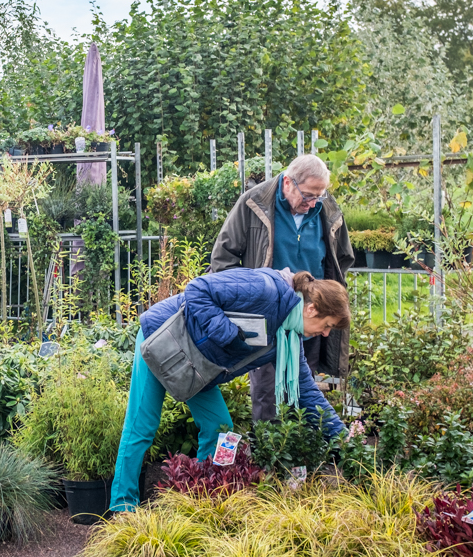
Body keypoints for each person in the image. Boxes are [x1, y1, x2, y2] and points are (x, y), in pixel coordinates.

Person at [110, 269, 349, 513]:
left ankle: (197, 500)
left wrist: (347, 440)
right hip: (163, 339)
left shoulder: (287, 337)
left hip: (198, 366)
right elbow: (197, 289)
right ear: (311, 308)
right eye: (327, 325)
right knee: (142, 425)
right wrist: (227, 333)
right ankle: (122, 507)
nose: (326, 333)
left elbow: (306, 392)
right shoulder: (265, 289)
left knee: (219, 427)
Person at [210, 154, 354, 422]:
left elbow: (341, 260)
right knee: (266, 392)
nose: (313, 204)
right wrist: (248, 299)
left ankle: (301, 454)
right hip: (269, 319)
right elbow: (222, 260)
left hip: (310, 317)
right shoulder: (254, 203)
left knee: (303, 389)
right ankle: (268, 455)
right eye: (309, 195)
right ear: (288, 182)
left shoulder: (327, 209)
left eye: (319, 197)